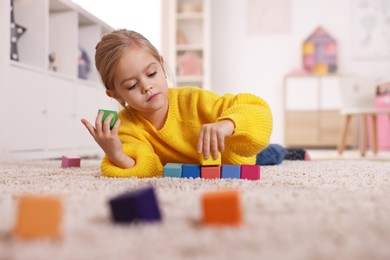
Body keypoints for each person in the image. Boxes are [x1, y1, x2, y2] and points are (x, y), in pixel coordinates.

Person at [81, 29, 303, 178]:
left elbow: (258, 110)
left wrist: (227, 124)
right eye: (131, 86)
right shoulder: (126, 127)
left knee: (271, 153)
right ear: (116, 95)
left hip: (232, 155)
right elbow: (148, 169)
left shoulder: (193, 100)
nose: (146, 86)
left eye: (151, 73)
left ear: (161, 64)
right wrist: (116, 153)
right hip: (195, 166)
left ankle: (293, 152)